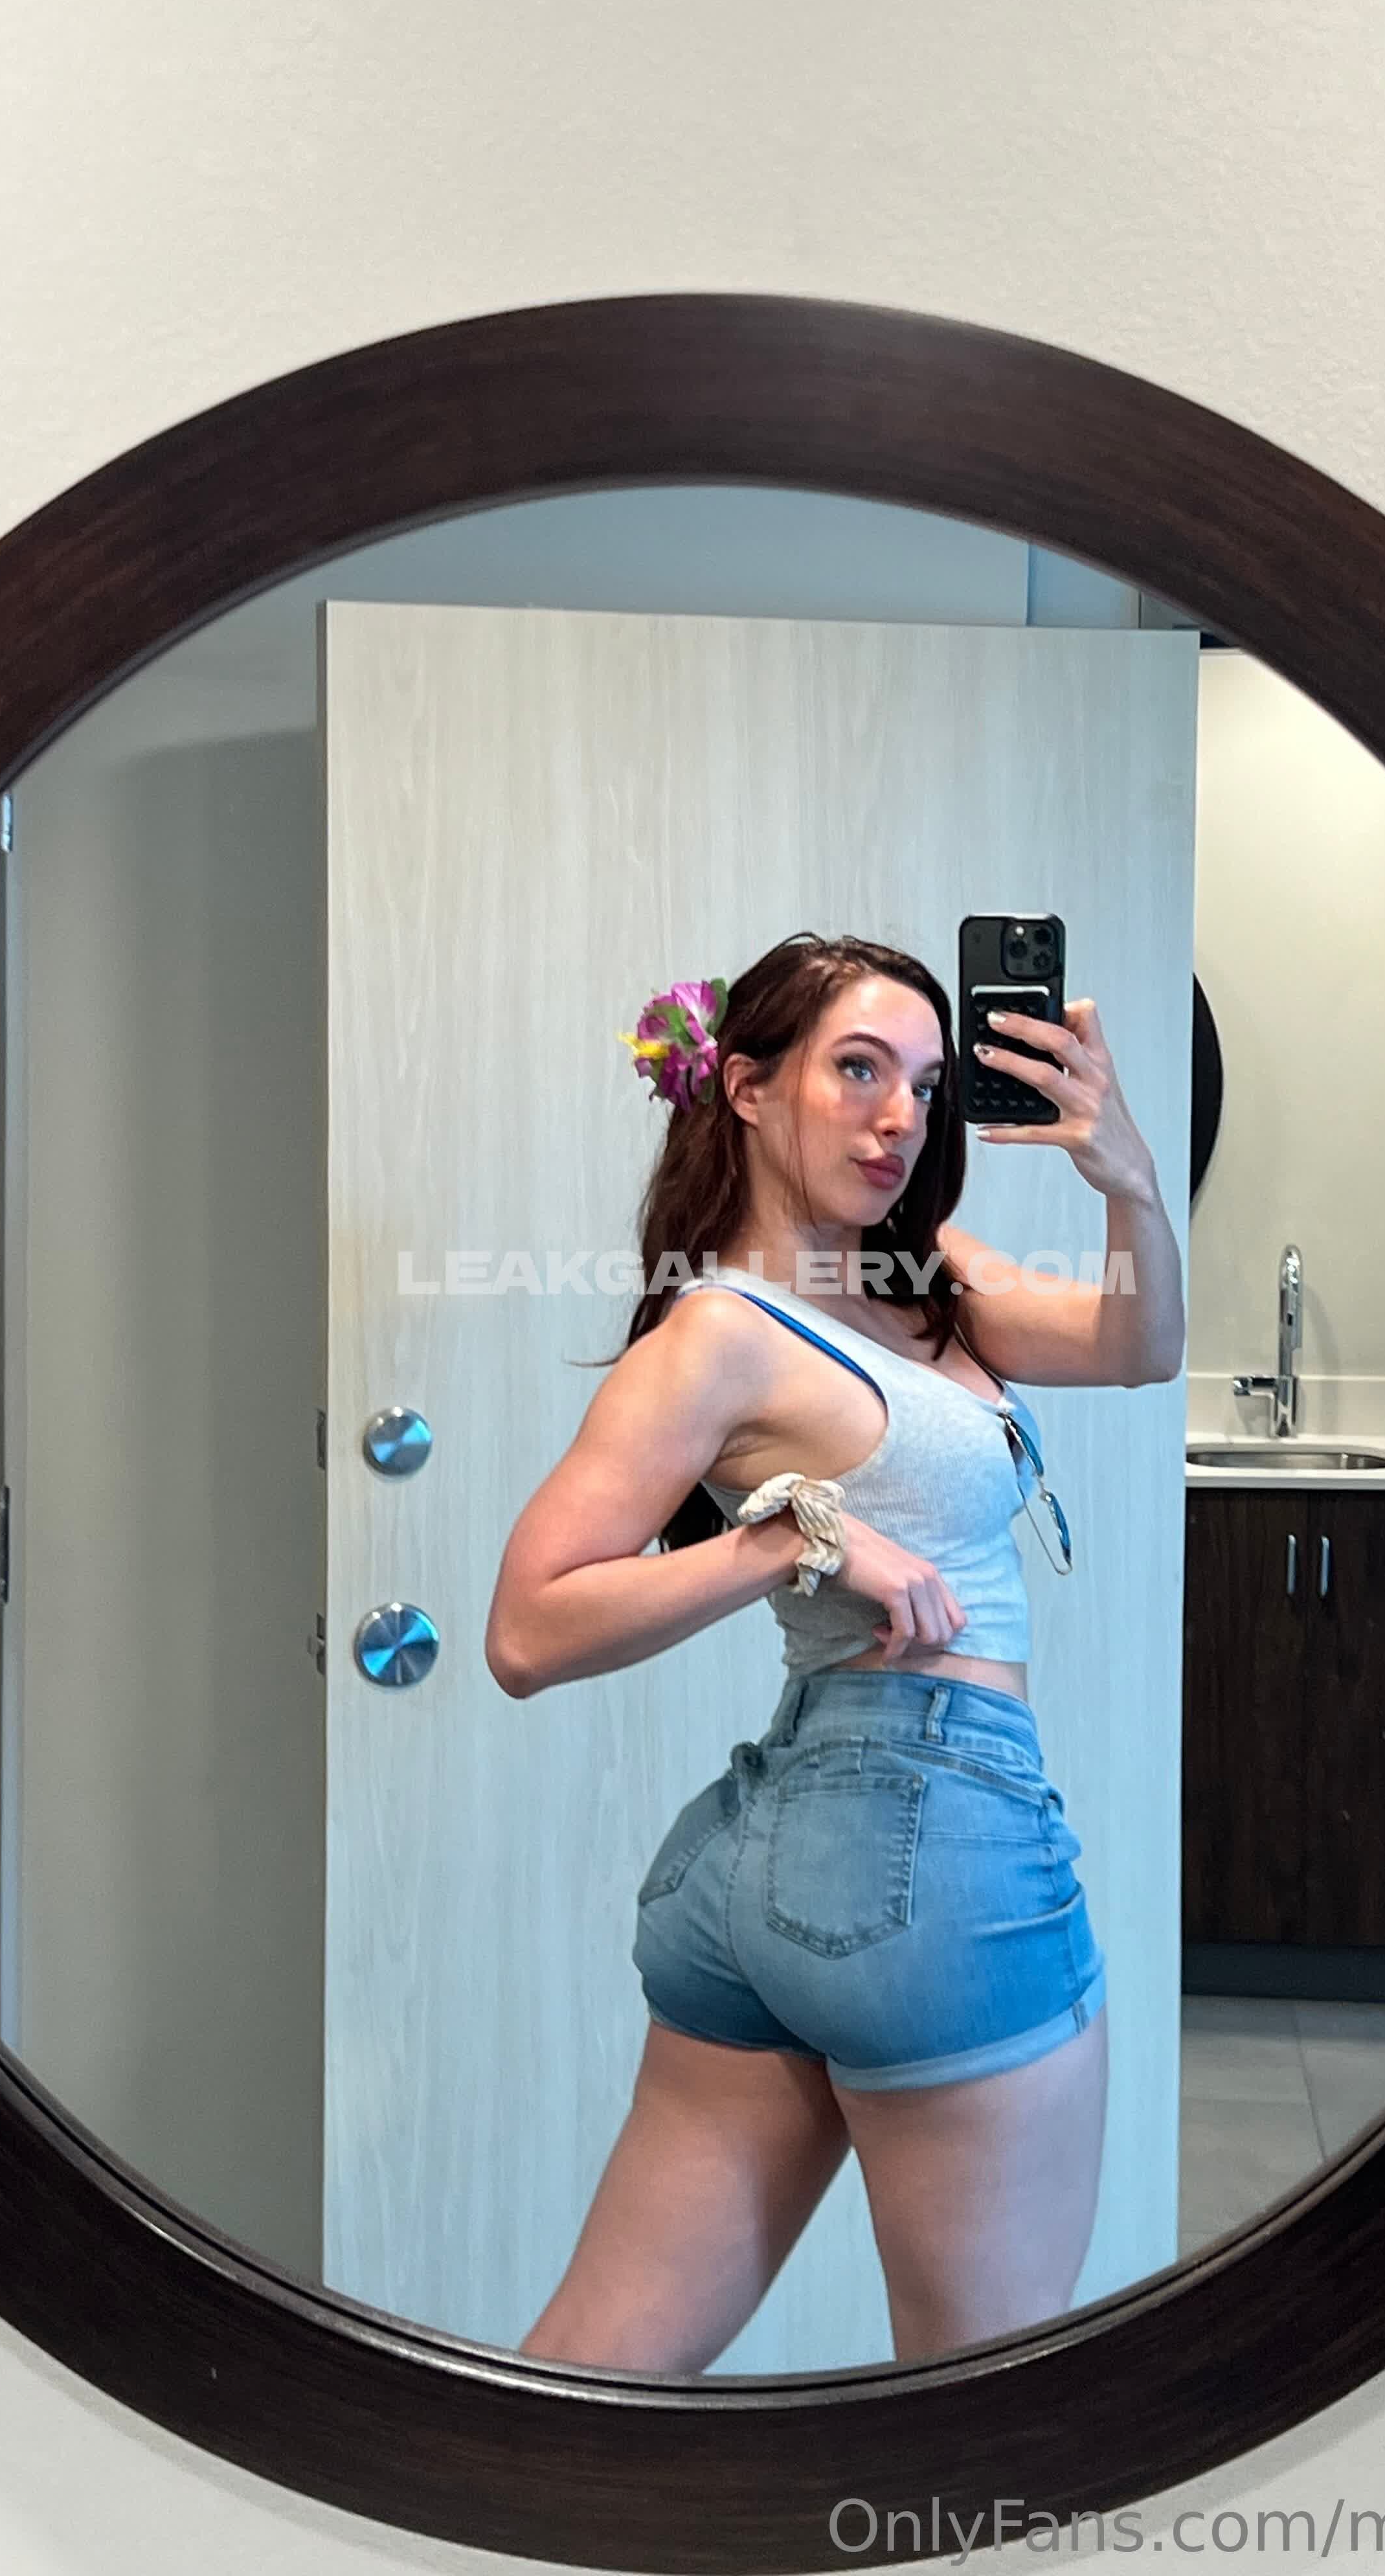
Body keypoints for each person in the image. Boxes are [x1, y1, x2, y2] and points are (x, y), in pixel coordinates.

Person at [484, 931, 1185, 2372]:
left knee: (593, 2377)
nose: (898, 1117)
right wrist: (786, 1540)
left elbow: (1138, 1345)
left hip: (780, 1859)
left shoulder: (922, 1275)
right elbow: (526, 1630)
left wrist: (1127, 1179)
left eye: (924, 1085)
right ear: (744, 1088)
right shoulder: (720, 1332)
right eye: (858, 1070)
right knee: (984, 2414)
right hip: (937, 1843)